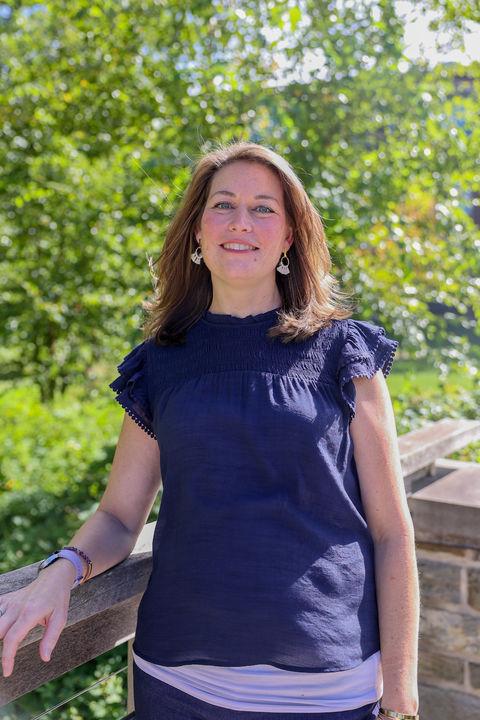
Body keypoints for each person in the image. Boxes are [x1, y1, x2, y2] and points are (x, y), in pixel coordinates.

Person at [0, 141, 420, 720]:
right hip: (179, 685)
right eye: (223, 205)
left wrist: (400, 690)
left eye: (263, 208)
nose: (241, 222)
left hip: (331, 688)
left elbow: (393, 533)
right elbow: (120, 517)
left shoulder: (342, 352)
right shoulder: (160, 361)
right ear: (197, 232)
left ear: (290, 237)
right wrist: (60, 571)